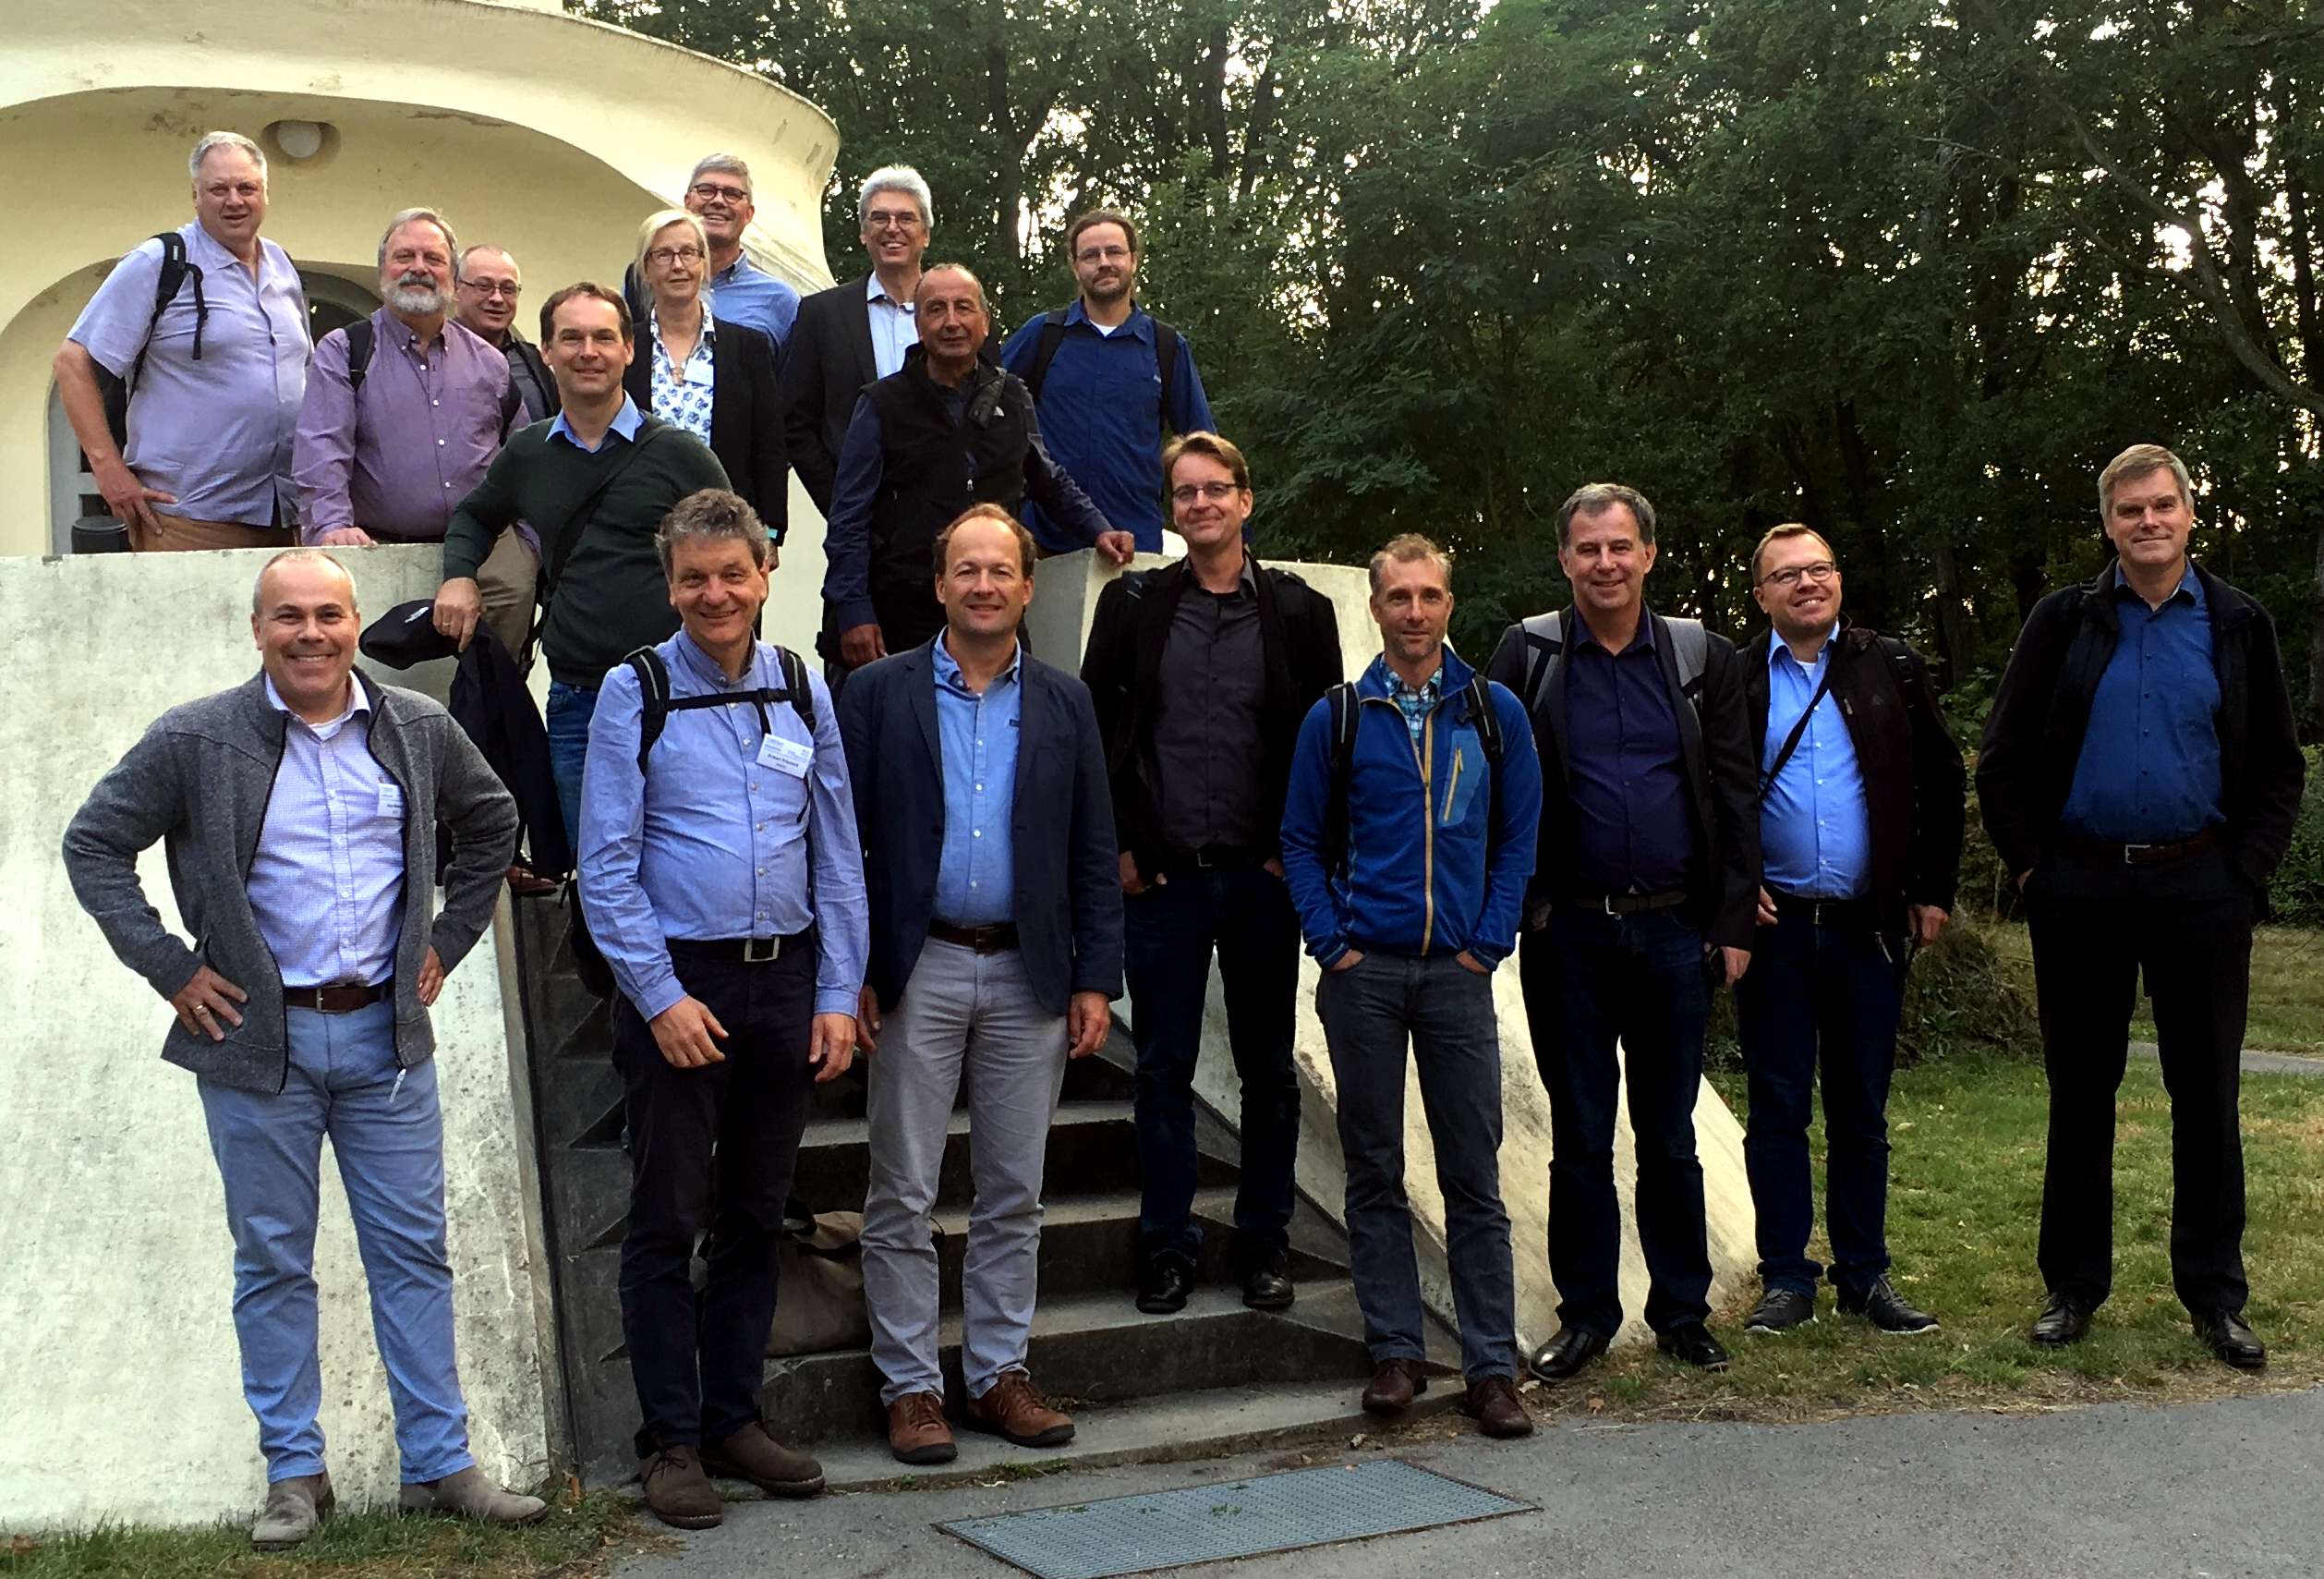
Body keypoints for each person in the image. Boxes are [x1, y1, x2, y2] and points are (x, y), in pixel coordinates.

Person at [61, 550, 537, 1549]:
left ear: (356, 622)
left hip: (385, 1035)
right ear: (257, 627)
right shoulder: (196, 736)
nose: (310, 632)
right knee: (272, 1260)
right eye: (289, 616)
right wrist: (170, 968)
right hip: (253, 1042)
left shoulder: (413, 725)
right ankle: (295, 1475)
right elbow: (93, 841)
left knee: (413, 1253)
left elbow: (492, 821)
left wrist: (446, 942)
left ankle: (440, 1465)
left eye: (328, 613)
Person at [1978, 443, 2305, 1369]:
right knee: (2079, 1093)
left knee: (2205, 1092)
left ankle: (2213, 1292)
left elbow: (2279, 765)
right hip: (2078, 883)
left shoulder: (2238, 624)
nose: (2147, 522)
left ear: (2189, 513)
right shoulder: (2063, 622)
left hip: (2201, 884)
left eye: (2162, 505)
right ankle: (2072, 1286)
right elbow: (2000, 756)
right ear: (2107, 523)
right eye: (2129, 511)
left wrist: (2244, 870)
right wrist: (2033, 866)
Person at [576, 490, 865, 1527]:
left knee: (756, 1212)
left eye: (730, 574)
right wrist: (657, 997)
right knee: (666, 1218)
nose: (713, 593)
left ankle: (736, 1417)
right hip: (680, 983)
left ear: (763, 574)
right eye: (693, 577)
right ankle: (671, 1440)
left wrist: (836, 990)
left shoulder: (800, 683)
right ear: (670, 583)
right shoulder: (634, 689)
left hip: (784, 981)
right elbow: (604, 866)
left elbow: (837, 849)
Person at [838, 505, 1124, 1468]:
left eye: (1001, 569)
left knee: (1012, 1188)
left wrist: (1095, 976)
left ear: (1027, 585)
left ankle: (998, 1371)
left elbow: (1092, 846)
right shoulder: (875, 694)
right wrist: (851, 973)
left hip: (1027, 970)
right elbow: (839, 848)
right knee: (901, 1188)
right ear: (938, 583)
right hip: (915, 967)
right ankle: (911, 1386)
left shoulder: (1062, 701)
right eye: (967, 569)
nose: (984, 585)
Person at [1483, 482, 1759, 1384]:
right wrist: (1511, 905)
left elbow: (1732, 791)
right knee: (1580, 1134)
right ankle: (1586, 1313)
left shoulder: (1697, 657)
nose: (1604, 562)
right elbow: (1490, 790)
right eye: (1586, 548)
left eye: (1619, 546)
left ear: (1646, 551)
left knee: (1670, 1133)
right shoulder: (1526, 654)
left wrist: (1730, 918)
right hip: (1569, 934)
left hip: (1675, 929)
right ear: (1562, 560)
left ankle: (1680, 1308)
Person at [1278, 534, 1543, 1440]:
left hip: (1457, 978)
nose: (1415, 612)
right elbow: (1300, 842)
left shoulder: (1492, 712)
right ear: (1375, 606)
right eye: (1399, 597)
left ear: (1448, 605)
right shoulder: (1340, 715)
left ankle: (1490, 1366)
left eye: (1430, 596)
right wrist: (1331, 943)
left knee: (1472, 1174)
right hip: (1365, 976)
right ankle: (1393, 1349)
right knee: (1374, 1168)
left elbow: (1516, 838)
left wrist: (1486, 942)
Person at [1079, 431, 1340, 1316]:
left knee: (1269, 1071)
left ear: (1245, 500)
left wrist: (1295, 850)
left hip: (1264, 880)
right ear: (1172, 510)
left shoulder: (1299, 613)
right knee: (1162, 1071)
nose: (1199, 505)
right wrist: (1117, 843)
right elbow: (1095, 735)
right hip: (1164, 882)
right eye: (1183, 494)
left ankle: (1264, 1246)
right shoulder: (1137, 605)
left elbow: (1326, 747)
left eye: (1214, 490)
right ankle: (1167, 1247)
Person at [1734, 525, 1963, 1337]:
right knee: (1777, 1107)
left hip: (1871, 927)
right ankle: (1788, 1277)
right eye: (1786, 574)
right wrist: (1734, 886)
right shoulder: (1733, 678)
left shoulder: (1889, 666)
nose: (1807, 583)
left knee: (1862, 1109)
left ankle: (1866, 1274)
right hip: (1776, 931)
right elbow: (1708, 792)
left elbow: (1941, 776)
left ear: (1839, 580)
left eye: (1820, 568)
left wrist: (1932, 888)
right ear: (1760, 594)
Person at [434, 284, 729, 844]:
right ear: (546, 351)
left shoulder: (681, 455)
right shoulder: (528, 453)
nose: (587, 351)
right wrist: (459, 576)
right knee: (593, 870)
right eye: (571, 338)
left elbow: (739, 551)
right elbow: (473, 517)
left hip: (678, 695)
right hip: (578, 704)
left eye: (603, 337)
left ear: (629, 350)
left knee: (687, 857)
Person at [822, 264, 1133, 677]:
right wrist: (853, 607)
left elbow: (1046, 477)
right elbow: (849, 517)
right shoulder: (880, 404)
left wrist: (1099, 528)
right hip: (900, 609)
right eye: (936, 309)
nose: (951, 321)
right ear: (918, 324)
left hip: (993, 606)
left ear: (984, 322)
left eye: (963, 308)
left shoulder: (1013, 395)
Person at [54, 130, 309, 551]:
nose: (234, 200)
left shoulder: (283, 267)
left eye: (247, 188)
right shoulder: (159, 262)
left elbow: (305, 373)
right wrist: (108, 470)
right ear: (195, 195)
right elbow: (71, 363)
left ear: (265, 193)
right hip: (185, 520)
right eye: (218, 189)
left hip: (284, 516)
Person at [999, 209, 1216, 554]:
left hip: (1136, 541)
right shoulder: (1043, 336)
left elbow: (1204, 447)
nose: (1103, 262)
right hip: (1044, 543)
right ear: (1075, 266)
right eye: (1090, 255)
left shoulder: (1166, 347)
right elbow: (981, 399)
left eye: (1114, 252)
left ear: (1134, 259)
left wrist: (1233, 540)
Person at [293, 211, 514, 549]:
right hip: (379, 552)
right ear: (383, 271)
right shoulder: (345, 351)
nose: (419, 268)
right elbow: (322, 450)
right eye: (404, 256)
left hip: (482, 556)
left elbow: (520, 460)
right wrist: (331, 526)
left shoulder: (490, 363)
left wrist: (526, 545)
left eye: (434, 259)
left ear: (454, 280)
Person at [620, 210, 787, 536]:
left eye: (688, 253)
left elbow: (769, 447)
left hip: (729, 529)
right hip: (641, 529)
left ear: (704, 263)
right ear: (646, 268)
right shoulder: (625, 348)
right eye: (664, 254)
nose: (678, 265)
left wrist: (771, 532)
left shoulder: (747, 347)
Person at [780, 165, 935, 516]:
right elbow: (796, 421)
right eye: (879, 218)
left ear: (925, 234)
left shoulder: (958, 312)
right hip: (858, 518)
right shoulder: (822, 315)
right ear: (864, 233)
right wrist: (839, 500)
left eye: (905, 218)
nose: (892, 228)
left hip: (948, 515)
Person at [674, 152, 801, 360]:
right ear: (687, 203)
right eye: (707, 190)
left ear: (749, 213)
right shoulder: (647, 281)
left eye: (732, 194)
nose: (718, 201)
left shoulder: (781, 301)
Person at [454, 245, 559, 423]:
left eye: (508, 289)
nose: (497, 298)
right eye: (484, 286)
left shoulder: (533, 361)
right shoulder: (434, 355)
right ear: (455, 289)